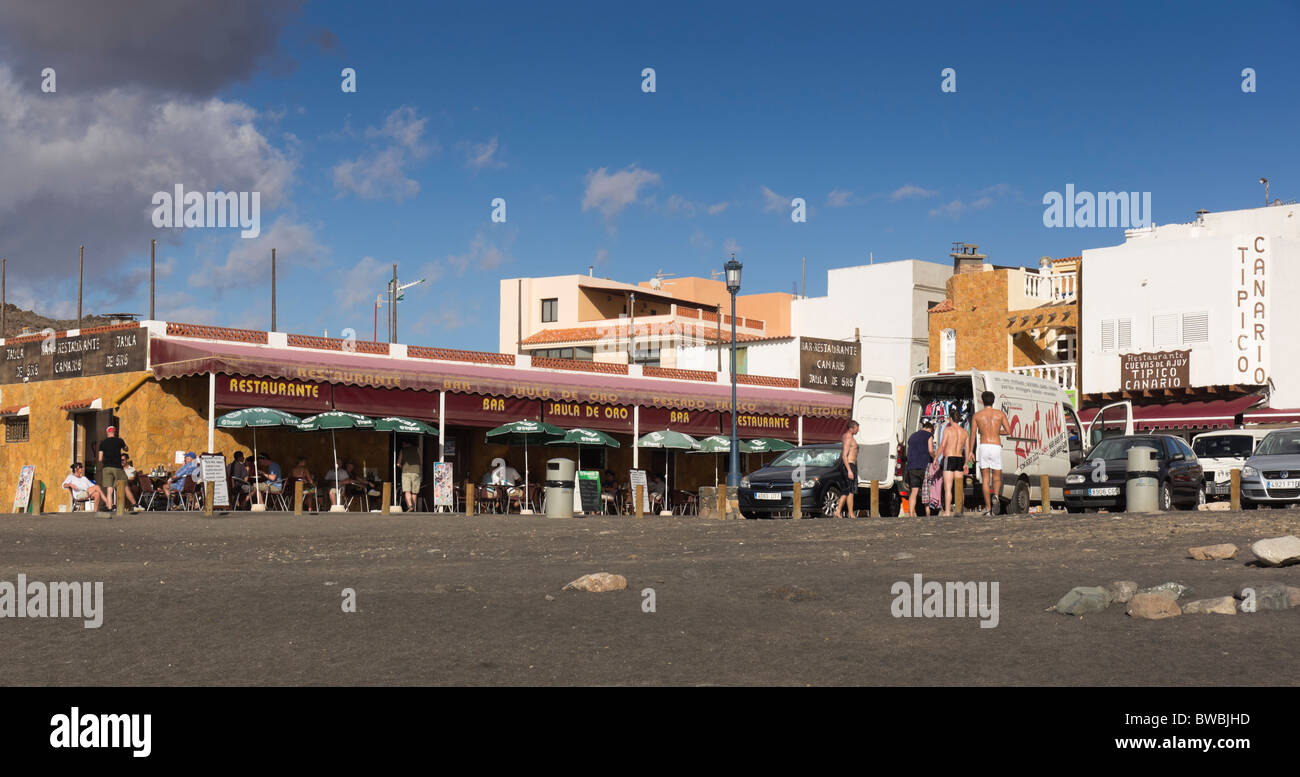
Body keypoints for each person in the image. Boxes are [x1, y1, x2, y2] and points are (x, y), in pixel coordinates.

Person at [967, 390, 1012, 516]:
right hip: (996, 445)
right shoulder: (1000, 414)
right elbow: (1009, 431)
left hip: (984, 445)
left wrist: (970, 451)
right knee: (997, 477)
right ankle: (996, 496)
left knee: (985, 479)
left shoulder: (977, 415)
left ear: (982, 401)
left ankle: (988, 508)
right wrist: (998, 432)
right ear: (993, 401)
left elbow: (973, 436)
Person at [940, 408, 969, 516]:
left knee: (948, 487)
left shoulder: (948, 430)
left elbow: (942, 445)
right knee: (959, 486)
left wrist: (935, 457)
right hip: (959, 459)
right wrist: (966, 463)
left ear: (951, 419)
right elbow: (967, 449)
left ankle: (947, 512)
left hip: (949, 457)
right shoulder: (965, 432)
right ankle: (959, 510)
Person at [96, 425, 130, 511]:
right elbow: (126, 449)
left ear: (107, 432)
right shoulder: (119, 441)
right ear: (114, 432)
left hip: (107, 467)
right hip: (117, 467)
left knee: (109, 489)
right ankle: (121, 507)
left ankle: (110, 507)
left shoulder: (102, 443)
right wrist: (125, 447)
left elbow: (100, 459)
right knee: (121, 485)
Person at [906, 421, 935, 517]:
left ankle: (911, 513)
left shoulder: (912, 436)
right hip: (924, 465)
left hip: (912, 466)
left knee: (913, 492)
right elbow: (931, 450)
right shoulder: (929, 435)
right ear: (930, 429)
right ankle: (927, 513)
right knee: (925, 491)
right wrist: (935, 458)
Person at [835, 420, 860, 518]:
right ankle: (839, 511)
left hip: (850, 465)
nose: (858, 430)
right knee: (848, 490)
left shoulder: (847, 436)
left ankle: (850, 512)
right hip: (849, 465)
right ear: (852, 428)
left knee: (849, 491)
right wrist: (849, 470)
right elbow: (844, 455)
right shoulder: (849, 438)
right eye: (857, 428)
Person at [399, 441, 422, 511]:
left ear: (404, 443)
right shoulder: (418, 449)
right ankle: (413, 508)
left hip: (406, 472)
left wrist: (402, 467)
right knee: (414, 491)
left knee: (407, 490)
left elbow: (398, 463)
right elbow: (421, 462)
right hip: (416, 472)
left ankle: (410, 506)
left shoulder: (402, 450)